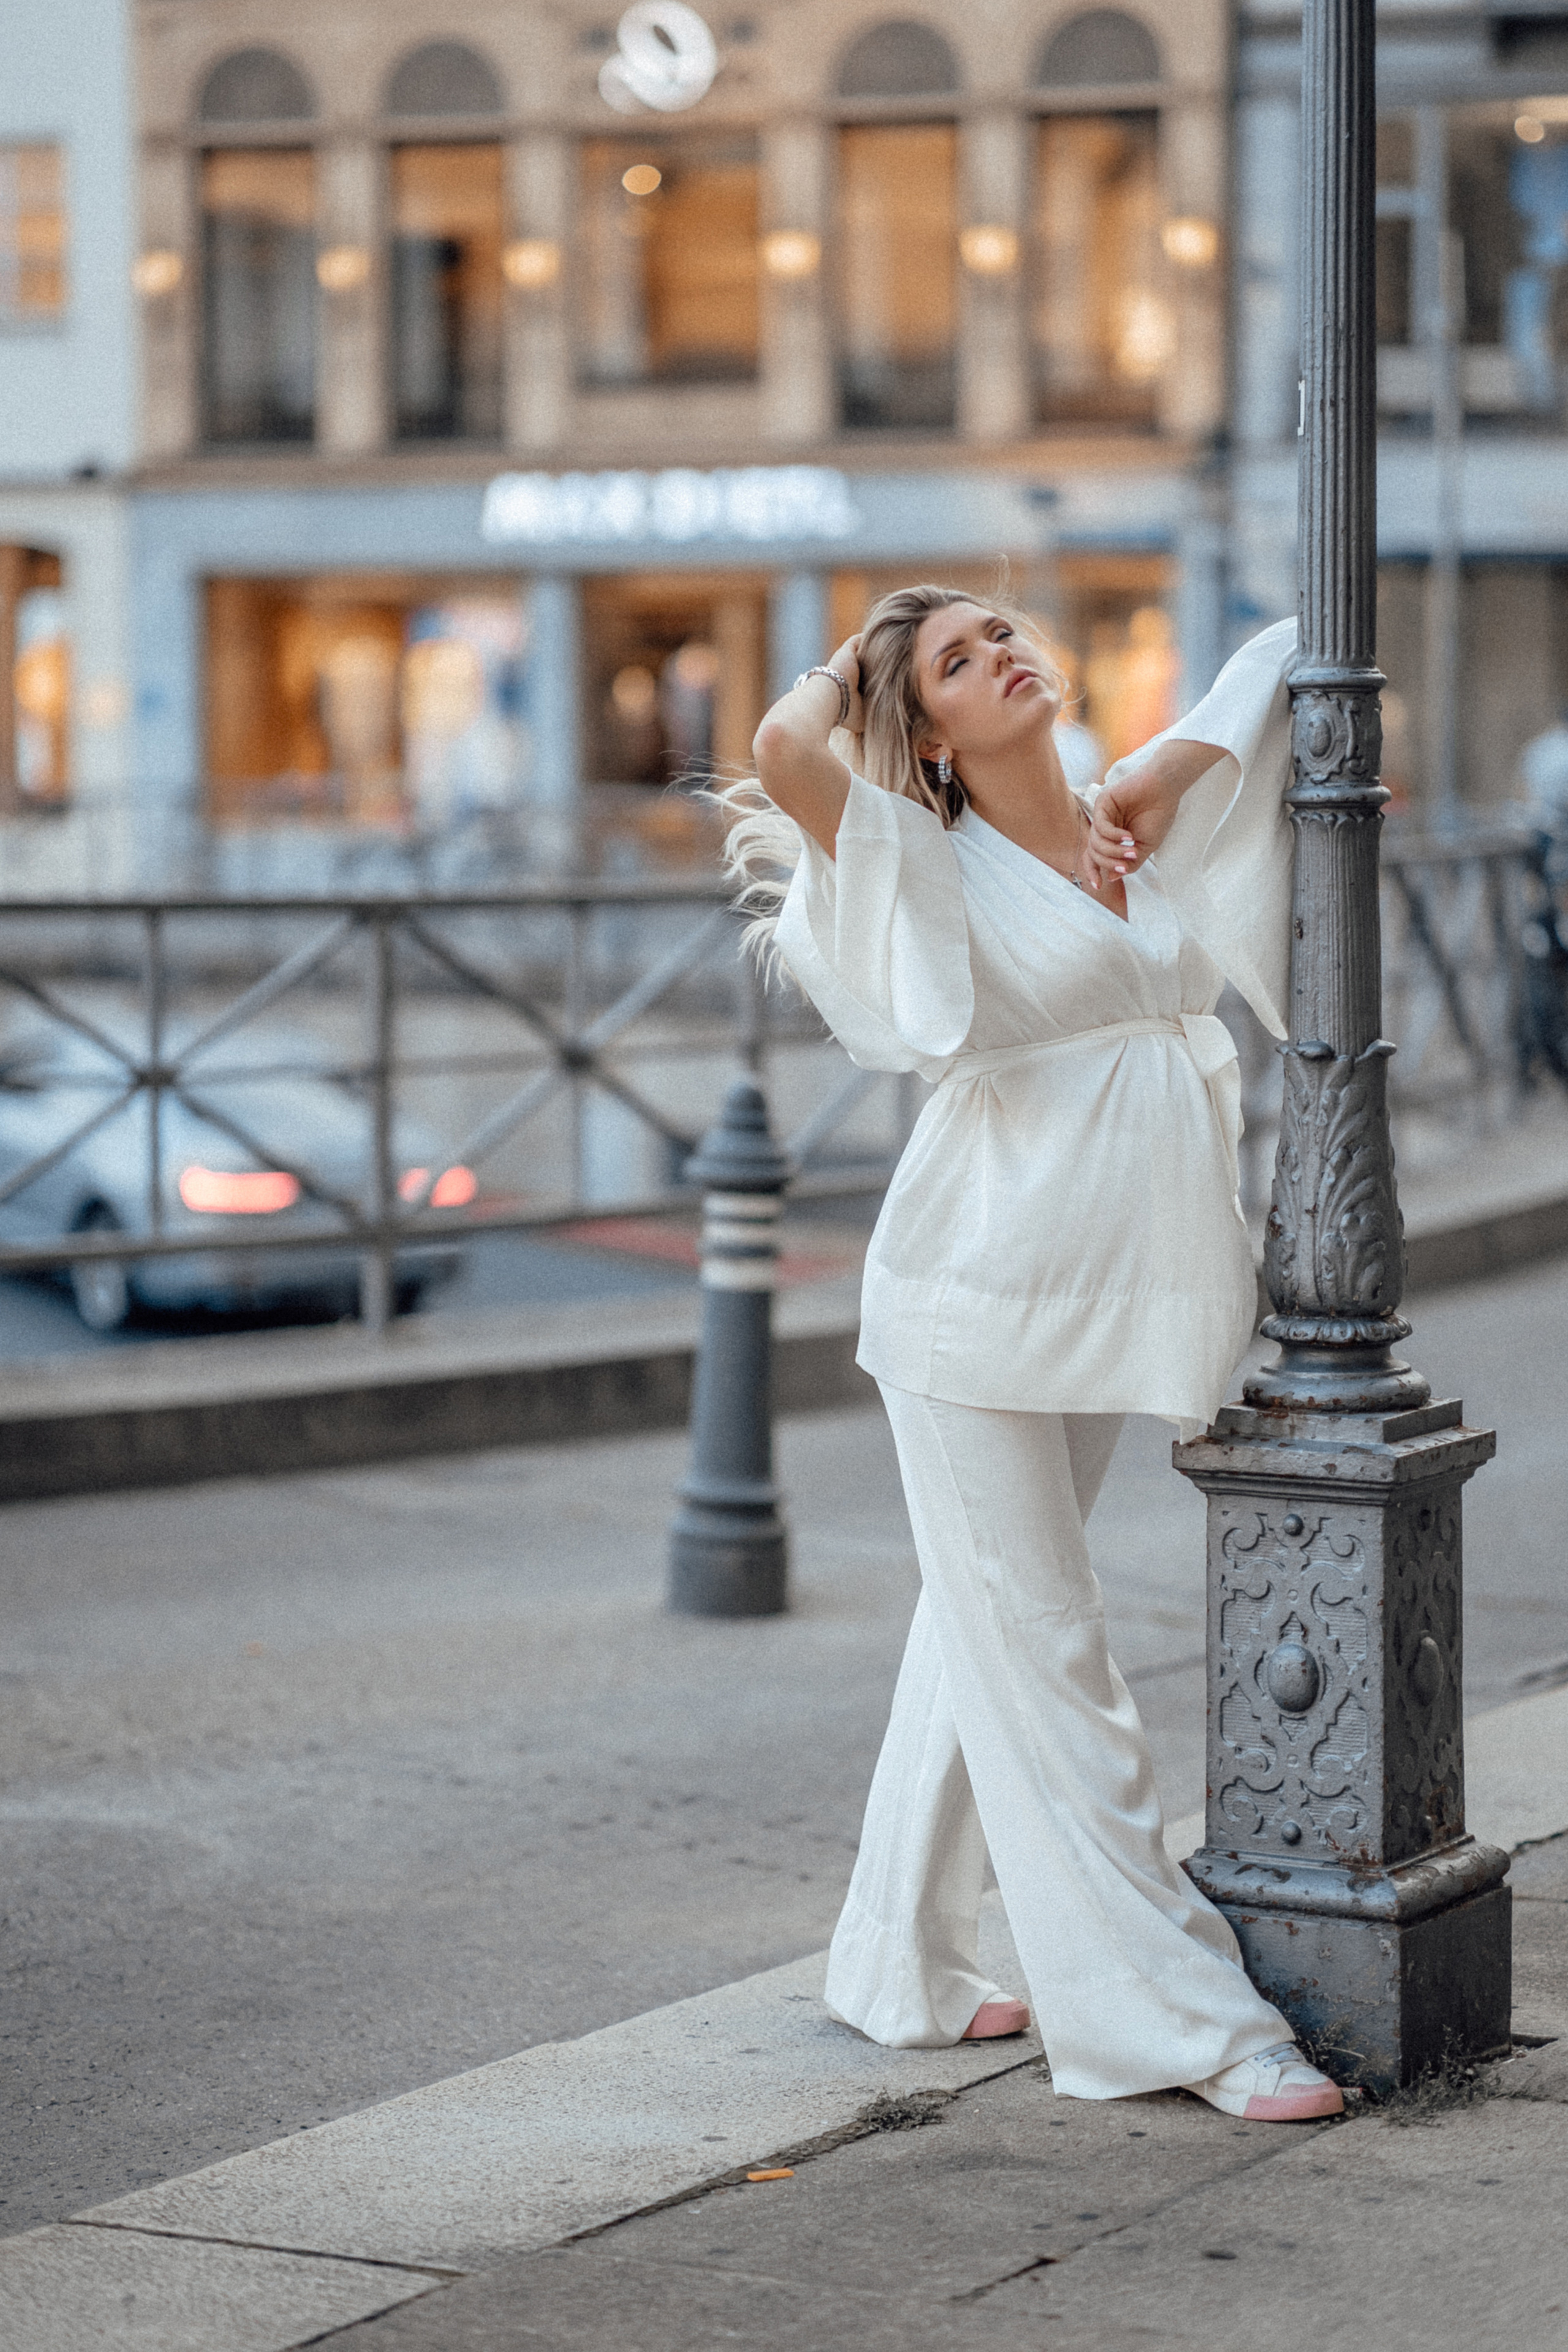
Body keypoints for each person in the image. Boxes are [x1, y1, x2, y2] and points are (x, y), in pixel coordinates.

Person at [720, 582, 1343, 2125]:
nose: (999, 651)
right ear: (920, 733)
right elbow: (777, 742)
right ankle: (1181, 2022)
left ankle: (893, 1965)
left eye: (1001, 629)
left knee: (979, 1628)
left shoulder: (1124, 815)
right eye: (955, 659)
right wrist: (860, 653)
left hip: (1115, 1290)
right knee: (1048, 1652)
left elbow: (1275, 664)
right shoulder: (919, 858)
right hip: (975, 1305)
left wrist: (1246, 785)